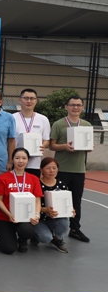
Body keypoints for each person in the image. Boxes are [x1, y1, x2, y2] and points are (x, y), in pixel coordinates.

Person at [49, 96, 92, 243]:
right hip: (61, 169)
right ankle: (54, 229)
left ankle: (75, 229)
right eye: (72, 105)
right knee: (57, 200)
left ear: (82, 107)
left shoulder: (86, 125)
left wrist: (88, 147)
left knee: (76, 201)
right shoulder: (58, 124)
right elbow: (52, 145)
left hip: (79, 170)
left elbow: (89, 147)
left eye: (78, 105)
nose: (75, 108)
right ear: (66, 106)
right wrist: (64, 146)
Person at [0, 148, 42, 254]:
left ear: (28, 160)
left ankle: (22, 240)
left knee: (27, 230)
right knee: (9, 249)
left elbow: (37, 200)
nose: (21, 161)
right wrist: (9, 214)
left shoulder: (34, 179)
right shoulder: (2, 178)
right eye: (17, 158)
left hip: (25, 218)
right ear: (12, 160)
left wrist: (37, 215)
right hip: (5, 217)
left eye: (24, 158)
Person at [34, 157, 74, 253]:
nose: (52, 171)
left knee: (64, 222)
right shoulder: (36, 183)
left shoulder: (61, 184)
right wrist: (45, 209)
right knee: (45, 238)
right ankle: (34, 236)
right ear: (41, 169)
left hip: (54, 218)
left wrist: (71, 210)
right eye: (48, 168)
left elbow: (67, 201)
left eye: (54, 168)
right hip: (38, 219)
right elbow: (31, 204)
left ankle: (57, 239)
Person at [13, 88, 50, 177]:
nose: (29, 101)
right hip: (16, 161)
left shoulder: (43, 119)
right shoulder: (12, 118)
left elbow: (46, 140)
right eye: (26, 98)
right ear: (20, 100)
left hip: (34, 163)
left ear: (36, 101)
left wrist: (43, 146)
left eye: (32, 98)